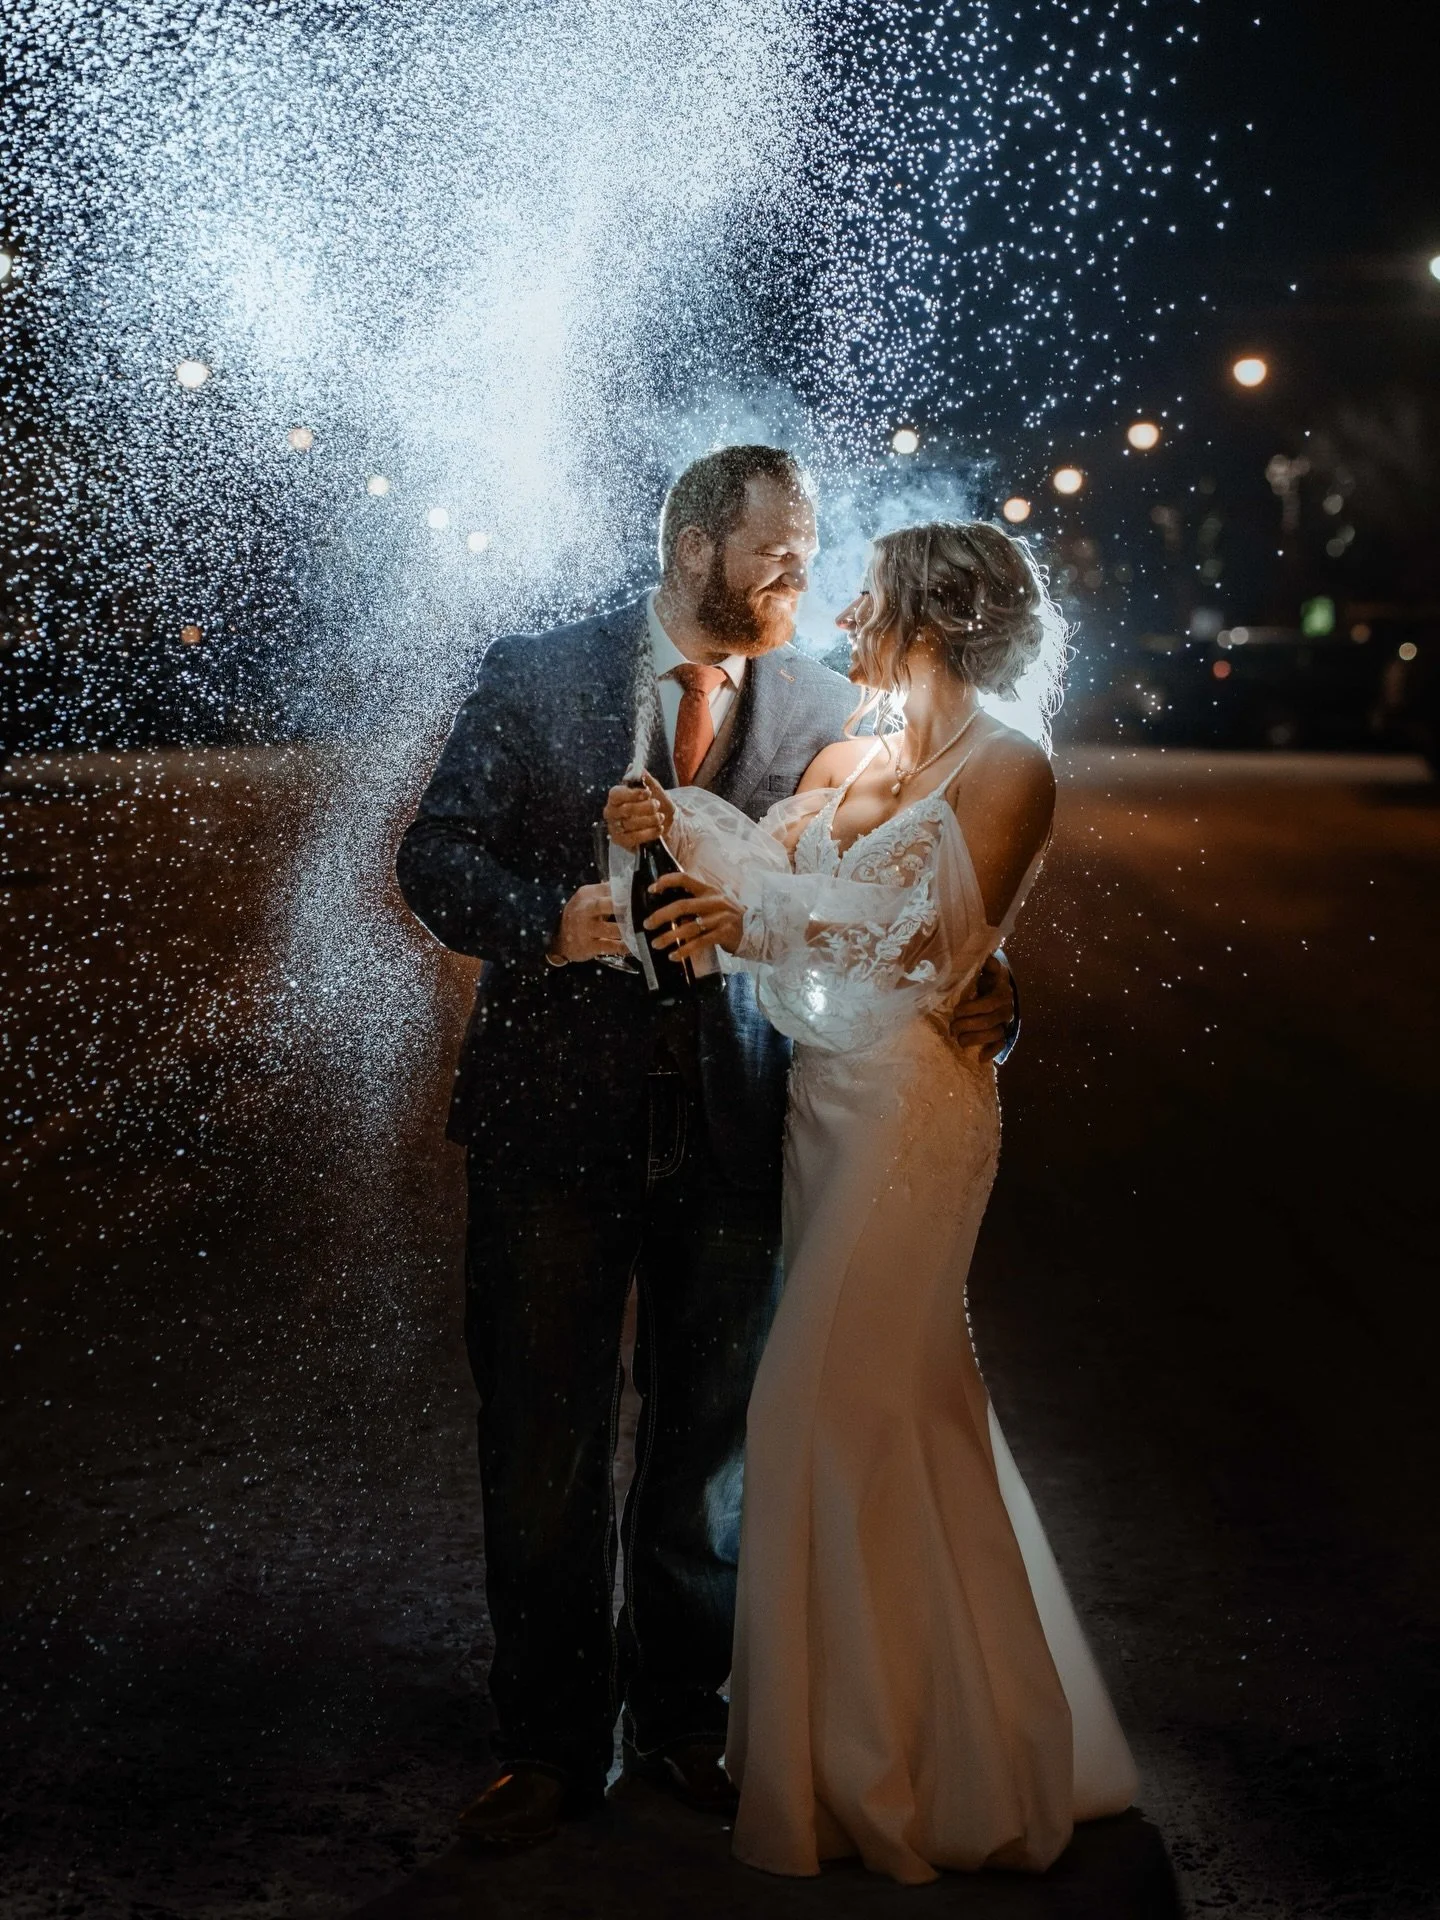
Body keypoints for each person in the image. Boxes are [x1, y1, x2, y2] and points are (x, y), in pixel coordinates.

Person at [395, 449, 1018, 1849]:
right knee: (542, 1440)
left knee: (709, 1452)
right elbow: (435, 855)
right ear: (693, 550)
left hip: (743, 1125)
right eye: (778, 552)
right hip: (550, 1130)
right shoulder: (536, 671)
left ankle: (683, 1719)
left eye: (807, 548)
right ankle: (550, 1744)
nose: (804, 572)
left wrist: (986, 985)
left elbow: (915, 899)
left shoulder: (829, 708)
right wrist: (548, 922)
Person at [608, 520, 1138, 1884]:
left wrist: (757, 927)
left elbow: (936, 948)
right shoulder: (852, 756)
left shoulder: (1011, 768)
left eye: (870, 598)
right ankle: (949, 1734)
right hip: (818, 1114)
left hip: (913, 1111)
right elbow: (766, 883)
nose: (844, 615)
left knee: (816, 1405)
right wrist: (663, 827)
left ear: (934, 618)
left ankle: (865, 1764)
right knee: (905, 1411)